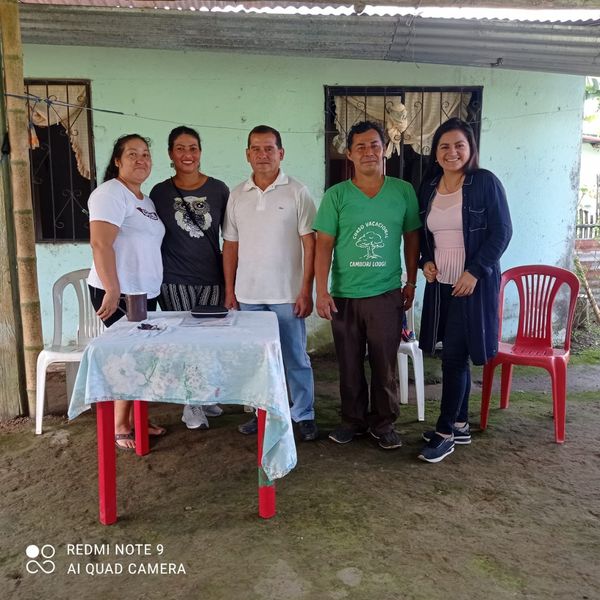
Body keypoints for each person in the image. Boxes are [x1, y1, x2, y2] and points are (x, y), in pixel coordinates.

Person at [314, 120, 421, 450]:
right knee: (349, 363)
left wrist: (411, 282)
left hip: (386, 294)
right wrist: (321, 291)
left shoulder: (403, 191)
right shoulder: (336, 196)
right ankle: (353, 421)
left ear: (385, 149)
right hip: (344, 295)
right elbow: (323, 245)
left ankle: (384, 423)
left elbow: (412, 238)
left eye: (375, 145)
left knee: (384, 363)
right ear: (349, 154)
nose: (368, 152)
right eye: (360, 146)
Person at [417, 117, 512, 463]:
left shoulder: (484, 182)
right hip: (440, 285)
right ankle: (459, 423)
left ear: (470, 149)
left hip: (472, 285)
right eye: (444, 146)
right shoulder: (429, 187)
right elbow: (424, 234)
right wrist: (425, 260)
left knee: (455, 356)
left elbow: (502, 232)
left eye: (459, 145)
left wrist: (474, 271)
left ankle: (444, 433)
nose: (452, 152)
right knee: (451, 351)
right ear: (435, 153)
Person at [222, 125, 318, 442]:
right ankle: (261, 413)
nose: (263, 155)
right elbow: (230, 245)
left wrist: (306, 290)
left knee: (294, 357)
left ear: (281, 153)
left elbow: (310, 244)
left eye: (269, 148)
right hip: (248, 295)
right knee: (256, 361)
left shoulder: (297, 192)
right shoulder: (237, 195)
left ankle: (303, 413)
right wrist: (230, 290)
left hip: (287, 294)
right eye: (256, 149)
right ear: (247, 154)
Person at [87, 134, 166, 451]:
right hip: (120, 293)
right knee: (128, 358)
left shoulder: (144, 200)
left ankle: (137, 417)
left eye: (145, 154)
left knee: (141, 356)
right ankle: (120, 424)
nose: (141, 160)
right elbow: (100, 243)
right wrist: (112, 288)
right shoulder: (110, 193)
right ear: (118, 161)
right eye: (132, 154)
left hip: (143, 292)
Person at [150, 126, 229, 431]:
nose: (187, 154)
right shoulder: (160, 192)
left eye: (193, 148)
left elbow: (230, 237)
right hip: (174, 279)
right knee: (185, 342)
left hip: (212, 277)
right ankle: (190, 403)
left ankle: (204, 395)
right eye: (180, 148)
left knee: (209, 341)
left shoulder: (219, 189)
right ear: (170, 153)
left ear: (200, 152)